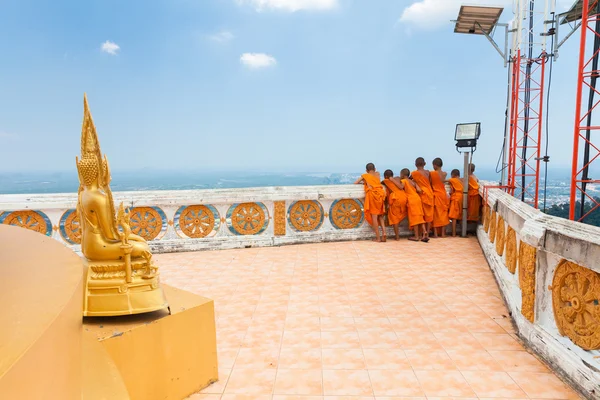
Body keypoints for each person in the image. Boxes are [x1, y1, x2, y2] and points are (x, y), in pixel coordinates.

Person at [354, 163, 387, 242]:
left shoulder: (365, 175)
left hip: (372, 195)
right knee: (381, 216)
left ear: (366, 170)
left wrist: (364, 182)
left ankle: (378, 238)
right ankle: (384, 233)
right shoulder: (378, 174)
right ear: (375, 169)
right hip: (380, 194)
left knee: (374, 217)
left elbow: (356, 183)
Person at [399, 168, 428, 242]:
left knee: (414, 218)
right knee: (420, 216)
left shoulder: (403, 181)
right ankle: (424, 231)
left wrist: (394, 180)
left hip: (411, 200)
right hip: (417, 198)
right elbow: (419, 190)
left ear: (402, 174)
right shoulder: (413, 182)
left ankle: (416, 236)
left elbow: (400, 187)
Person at [411, 157, 434, 236]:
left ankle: (422, 233)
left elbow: (408, 180)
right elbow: (430, 183)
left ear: (415, 164)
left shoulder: (414, 173)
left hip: (422, 193)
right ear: (424, 164)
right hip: (430, 193)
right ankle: (427, 232)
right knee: (429, 214)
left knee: (422, 214)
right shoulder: (428, 172)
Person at [382, 169, 408, 240]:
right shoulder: (398, 178)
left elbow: (378, 184)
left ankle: (397, 236)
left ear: (386, 176)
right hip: (404, 197)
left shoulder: (386, 181)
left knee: (394, 217)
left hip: (396, 199)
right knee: (400, 213)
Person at [430, 158, 450, 238]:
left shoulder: (432, 173)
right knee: (443, 213)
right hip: (443, 194)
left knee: (435, 214)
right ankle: (443, 234)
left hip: (436, 194)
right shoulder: (444, 173)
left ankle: (435, 234)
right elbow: (443, 181)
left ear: (435, 165)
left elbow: (431, 183)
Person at [447, 169, 464, 237]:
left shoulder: (453, 179)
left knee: (454, 217)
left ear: (453, 175)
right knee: (460, 216)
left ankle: (453, 234)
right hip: (462, 198)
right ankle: (462, 232)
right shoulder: (462, 180)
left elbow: (443, 181)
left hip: (456, 198)